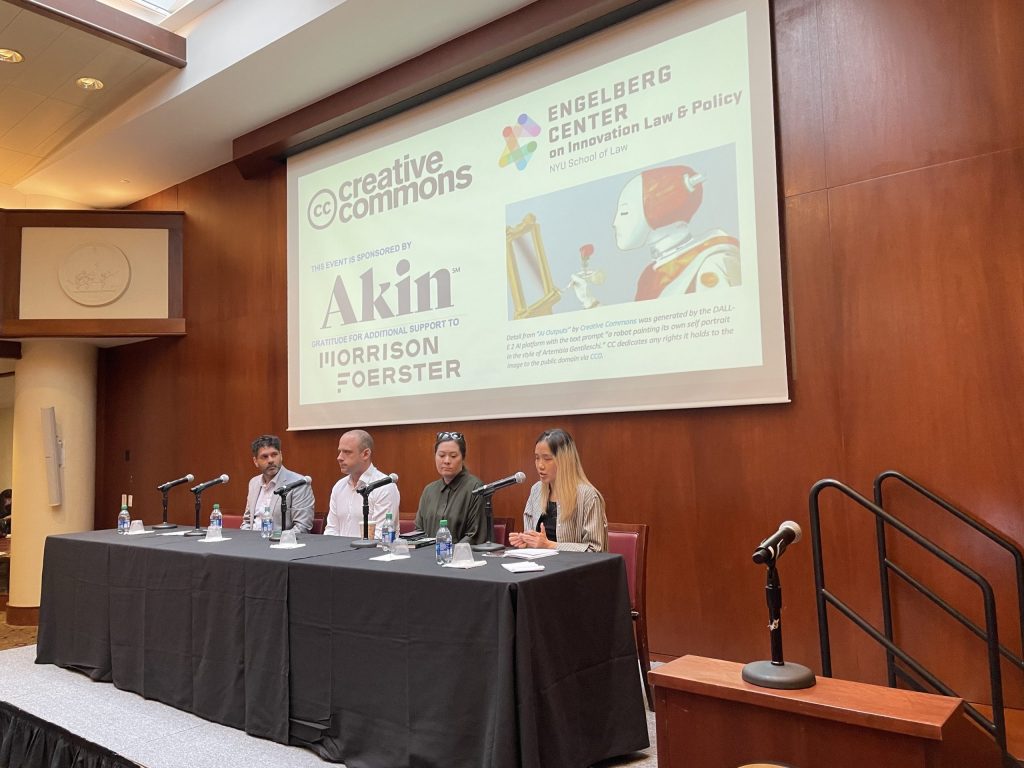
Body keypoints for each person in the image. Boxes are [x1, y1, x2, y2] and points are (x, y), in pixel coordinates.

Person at [612, 164, 741, 300]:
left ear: (658, 211)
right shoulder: (650, 276)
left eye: (625, 212)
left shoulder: (713, 263)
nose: (614, 223)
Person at [509, 428, 608, 552]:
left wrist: (550, 545)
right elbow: (536, 541)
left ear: (564, 460)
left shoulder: (587, 495)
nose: (540, 465)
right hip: (540, 567)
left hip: (573, 570)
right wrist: (527, 542)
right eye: (537, 458)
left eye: (547, 458)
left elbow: (596, 550)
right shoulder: (536, 490)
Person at [324, 429, 400, 537]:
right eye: (340, 451)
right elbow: (331, 530)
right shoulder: (339, 486)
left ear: (365, 454)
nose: (339, 457)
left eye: (347, 452)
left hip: (373, 553)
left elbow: (381, 537)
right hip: (339, 551)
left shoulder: (384, 487)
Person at [414, 430, 486, 543]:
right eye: (441, 455)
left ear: (463, 458)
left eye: (453, 456)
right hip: (427, 557)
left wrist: (447, 552)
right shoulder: (429, 490)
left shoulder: (476, 488)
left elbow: (475, 535)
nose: (446, 461)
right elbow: (419, 531)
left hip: (461, 558)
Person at [241, 435, 315, 533]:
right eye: (264, 457)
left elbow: (302, 527)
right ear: (255, 461)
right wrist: (246, 539)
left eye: (274, 454)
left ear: (281, 455)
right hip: (252, 543)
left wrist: (278, 541)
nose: (271, 460)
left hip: (279, 543)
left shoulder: (298, 483)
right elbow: (247, 521)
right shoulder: (253, 482)